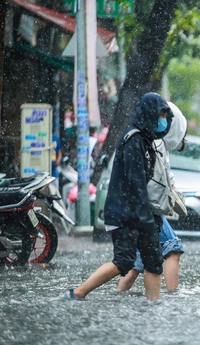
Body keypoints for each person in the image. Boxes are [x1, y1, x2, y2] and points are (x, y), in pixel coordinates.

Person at [62, 92, 173, 300]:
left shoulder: (145, 139)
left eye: (166, 115)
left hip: (136, 212)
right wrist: (147, 220)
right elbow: (135, 184)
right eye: (160, 115)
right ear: (149, 114)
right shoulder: (134, 140)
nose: (163, 120)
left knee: (153, 261)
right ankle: (77, 293)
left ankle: (153, 307)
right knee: (124, 261)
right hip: (127, 214)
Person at [117, 102, 188, 293]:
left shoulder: (152, 140)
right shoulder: (153, 142)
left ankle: (118, 295)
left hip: (141, 206)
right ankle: (171, 296)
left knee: (137, 261)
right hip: (147, 207)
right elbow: (155, 179)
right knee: (173, 248)